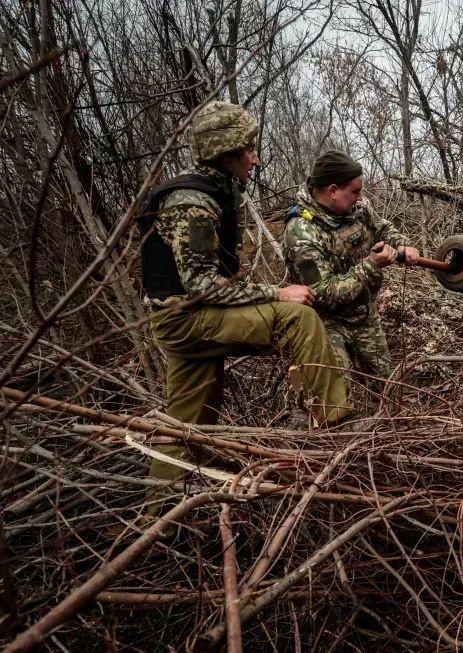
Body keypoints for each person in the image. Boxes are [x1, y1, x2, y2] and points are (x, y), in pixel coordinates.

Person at [139, 101, 349, 490]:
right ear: (226, 153)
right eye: (248, 150)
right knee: (296, 318)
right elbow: (201, 283)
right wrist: (276, 292)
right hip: (184, 318)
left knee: (185, 424)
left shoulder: (214, 189)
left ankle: (161, 516)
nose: (255, 159)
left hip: (181, 318)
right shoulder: (193, 202)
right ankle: (337, 434)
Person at [281, 150, 419, 393]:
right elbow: (324, 295)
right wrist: (372, 265)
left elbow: (382, 228)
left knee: (390, 390)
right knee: (337, 398)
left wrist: (401, 243)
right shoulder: (301, 233)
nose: (360, 197)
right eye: (355, 191)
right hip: (327, 323)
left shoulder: (358, 207)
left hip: (363, 313)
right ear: (333, 190)